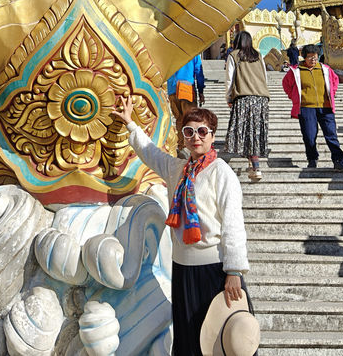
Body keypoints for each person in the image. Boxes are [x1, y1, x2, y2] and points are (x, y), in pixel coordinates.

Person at [112, 95, 254, 356]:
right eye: (189, 132)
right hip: (183, 268)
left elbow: (233, 223)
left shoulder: (221, 172)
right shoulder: (178, 169)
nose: (196, 137)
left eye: (202, 131)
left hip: (215, 269)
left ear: (212, 136)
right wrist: (131, 124)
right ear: (183, 137)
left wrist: (234, 270)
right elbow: (150, 153)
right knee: (190, 340)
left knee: (223, 342)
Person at [282, 44, 343, 170]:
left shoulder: (325, 69)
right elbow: (286, 85)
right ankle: (312, 158)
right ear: (304, 57)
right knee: (309, 136)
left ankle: (338, 160)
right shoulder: (296, 70)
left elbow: (335, 81)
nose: (313, 60)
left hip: (325, 107)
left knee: (331, 135)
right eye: (310, 57)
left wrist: (331, 93)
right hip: (306, 108)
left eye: (315, 57)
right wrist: (294, 97)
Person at [224, 31, 269, 181]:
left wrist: (228, 97)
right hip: (261, 98)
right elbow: (265, 76)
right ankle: (253, 165)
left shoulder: (234, 55)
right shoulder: (258, 56)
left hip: (244, 97)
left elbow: (229, 79)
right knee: (254, 132)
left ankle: (255, 166)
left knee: (245, 132)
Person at [166, 55, 205, 124]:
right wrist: (201, 91)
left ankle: (181, 135)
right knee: (191, 121)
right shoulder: (193, 51)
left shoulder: (169, 49)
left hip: (172, 89)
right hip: (187, 89)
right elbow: (198, 71)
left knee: (179, 121)